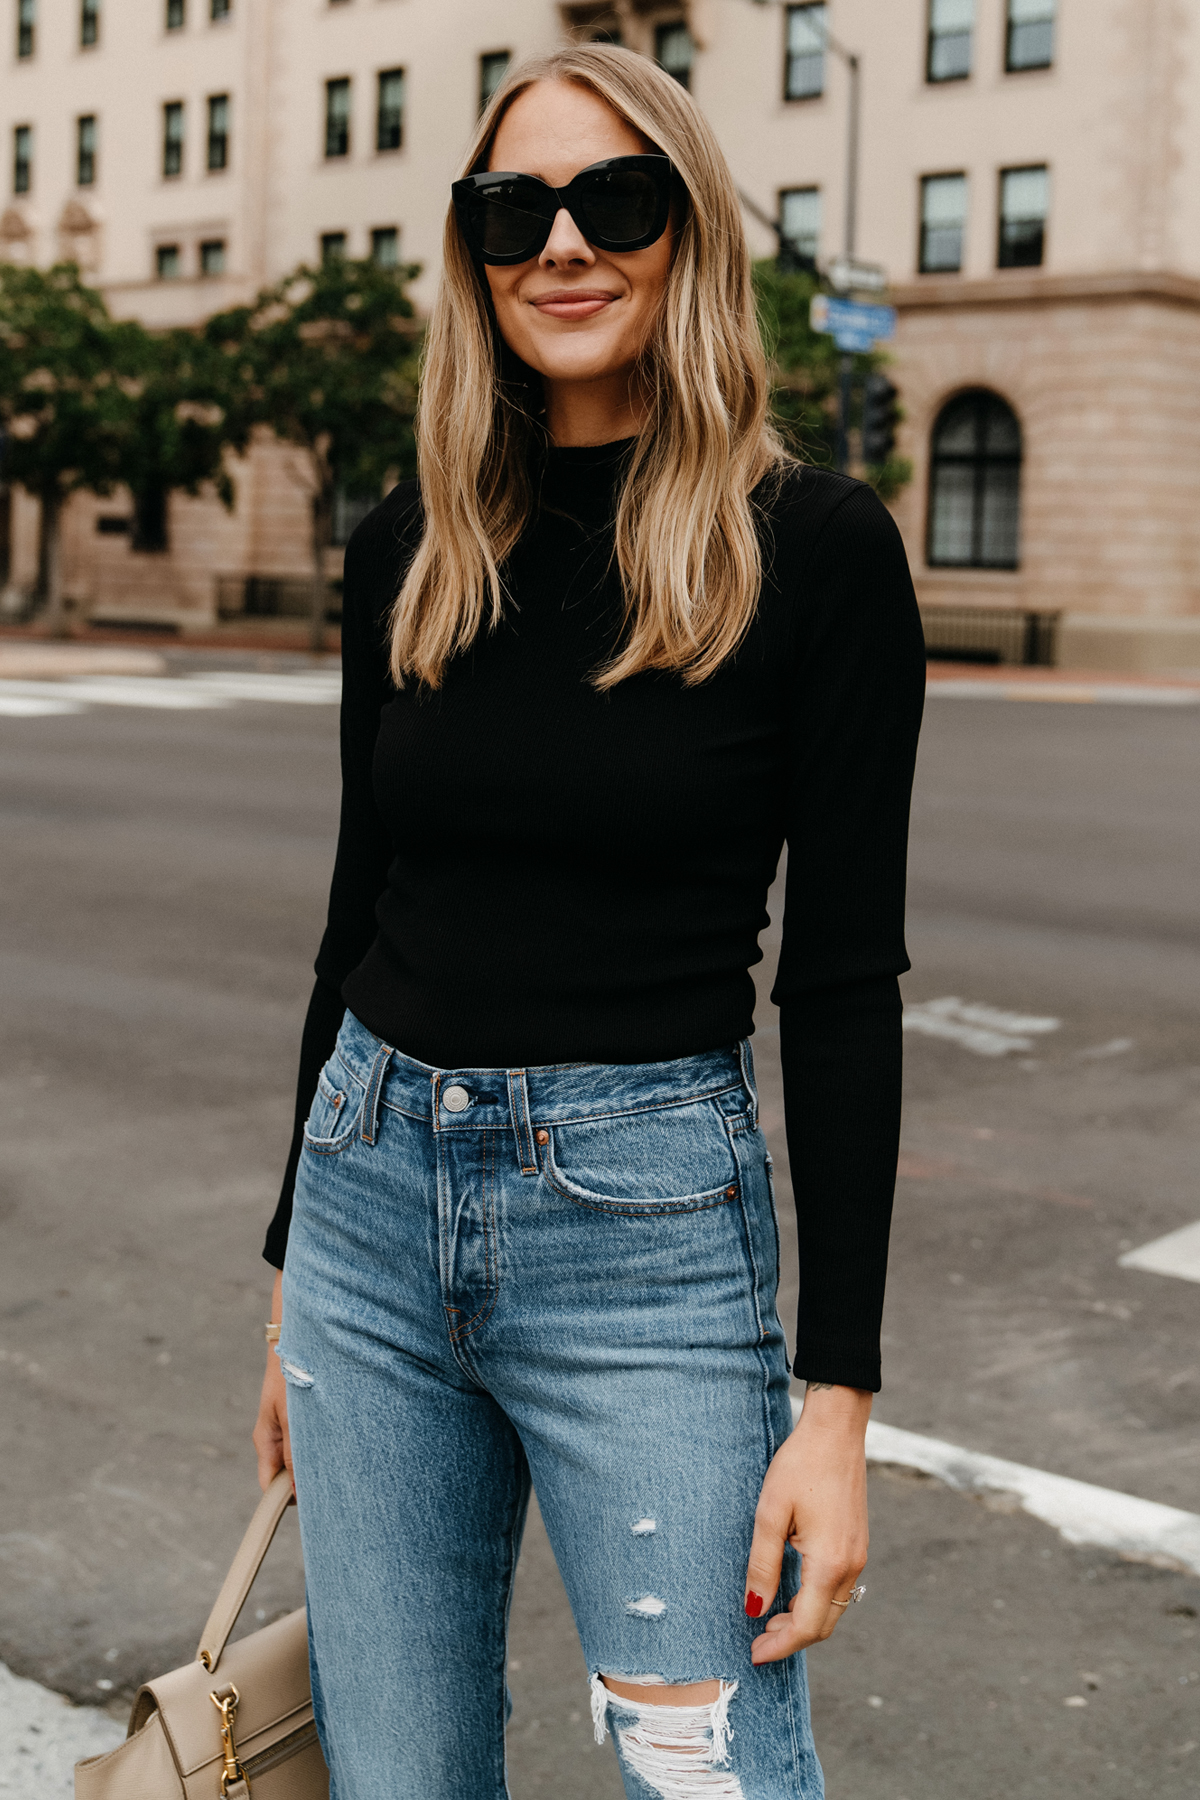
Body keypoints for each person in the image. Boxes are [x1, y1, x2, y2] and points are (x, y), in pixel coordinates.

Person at [253, 42, 924, 1800]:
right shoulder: (411, 537)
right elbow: (356, 913)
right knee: (396, 1779)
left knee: (707, 1777)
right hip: (366, 1208)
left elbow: (845, 990)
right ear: (472, 255)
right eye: (512, 208)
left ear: (687, 233)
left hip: (644, 1241)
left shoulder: (817, 548)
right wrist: (284, 1291)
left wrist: (834, 1410)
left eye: (613, 199)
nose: (562, 244)